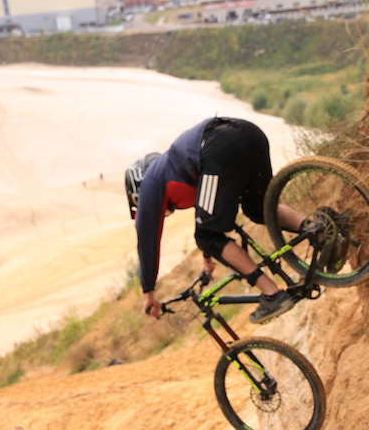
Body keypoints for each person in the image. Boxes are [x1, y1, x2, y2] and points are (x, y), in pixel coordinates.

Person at [126, 117, 303, 324]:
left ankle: (273, 294)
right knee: (258, 209)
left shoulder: (150, 182)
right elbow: (205, 215)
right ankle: (320, 229)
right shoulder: (174, 169)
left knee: (207, 236)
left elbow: (147, 239)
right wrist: (207, 259)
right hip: (250, 134)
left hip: (217, 149)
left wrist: (147, 291)